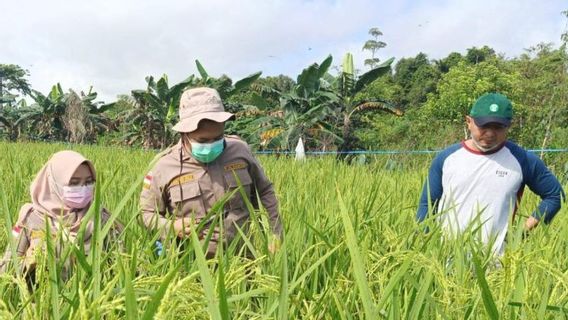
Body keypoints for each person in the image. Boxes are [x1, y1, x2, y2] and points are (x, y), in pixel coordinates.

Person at [140, 87, 283, 258]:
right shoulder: (163, 166)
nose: (211, 144)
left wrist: (275, 233)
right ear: (184, 133)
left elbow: (265, 191)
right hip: (191, 266)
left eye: (217, 138)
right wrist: (171, 227)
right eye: (202, 140)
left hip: (244, 260)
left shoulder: (240, 151)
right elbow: (146, 214)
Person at [417, 93, 564, 255]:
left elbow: (555, 196)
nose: (490, 133)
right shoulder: (447, 159)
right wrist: (425, 245)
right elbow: (428, 204)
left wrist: (520, 233)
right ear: (469, 122)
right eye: (483, 126)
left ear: (509, 126)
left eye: (498, 127)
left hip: (497, 263)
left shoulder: (522, 160)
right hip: (446, 258)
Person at [0, 151, 123, 284]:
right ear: (54, 183)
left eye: (88, 182)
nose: (83, 188)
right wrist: (28, 263)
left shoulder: (102, 219)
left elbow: (123, 267)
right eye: (74, 183)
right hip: (38, 302)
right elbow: (6, 268)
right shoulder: (29, 219)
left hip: (92, 302)